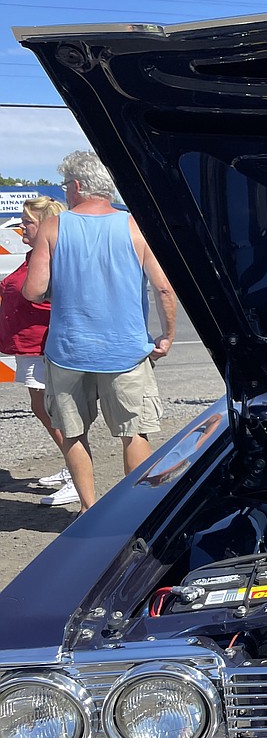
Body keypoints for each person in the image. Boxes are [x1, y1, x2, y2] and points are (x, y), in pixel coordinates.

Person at [22, 150, 176, 512]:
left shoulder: (54, 227)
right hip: (125, 351)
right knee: (134, 432)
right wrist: (166, 335)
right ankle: (134, 512)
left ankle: (89, 510)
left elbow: (33, 291)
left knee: (74, 432)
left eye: (65, 185)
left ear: (76, 186)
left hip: (68, 351)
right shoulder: (136, 226)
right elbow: (164, 288)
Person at [0, 196, 84, 506]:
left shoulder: (54, 258)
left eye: (28, 221)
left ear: (47, 224)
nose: (22, 225)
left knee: (53, 409)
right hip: (28, 345)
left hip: (43, 345)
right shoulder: (33, 254)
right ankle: (71, 467)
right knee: (45, 407)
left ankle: (78, 476)